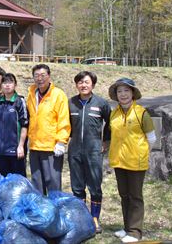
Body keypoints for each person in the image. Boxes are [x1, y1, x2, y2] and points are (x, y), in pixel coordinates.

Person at [108, 78, 156, 243]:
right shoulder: (114, 113)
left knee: (135, 196)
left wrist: (141, 153)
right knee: (124, 195)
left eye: (126, 91)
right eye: (119, 91)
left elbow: (152, 138)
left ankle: (135, 232)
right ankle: (127, 228)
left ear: (133, 93)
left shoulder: (142, 113)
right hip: (119, 161)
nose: (123, 94)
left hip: (136, 162)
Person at [68, 71, 111, 233]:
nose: (83, 85)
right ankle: (81, 218)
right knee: (77, 187)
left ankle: (94, 219)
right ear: (76, 85)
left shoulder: (101, 103)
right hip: (75, 150)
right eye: (80, 82)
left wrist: (105, 140)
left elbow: (110, 122)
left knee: (95, 186)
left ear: (92, 84)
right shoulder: (70, 102)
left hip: (93, 150)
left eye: (86, 82)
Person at [26, 64, 70, 195]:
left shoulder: (58, 95)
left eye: (43, 75)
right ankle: (40, 211)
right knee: (36, 182)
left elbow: (63, 118)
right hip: (34, 145)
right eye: (36, 76)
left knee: (53, 182)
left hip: (51, 147)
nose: (40, 79)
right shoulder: (31, 94)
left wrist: (61, 141)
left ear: (49, 76)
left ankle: (55, 209)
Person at [0, 73, 29, 177]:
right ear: (1, 85)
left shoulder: (19, 101)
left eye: (10, 82)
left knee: (18, 179)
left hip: (15, 149)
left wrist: (21, 146)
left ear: (15, 84)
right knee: (5, 179)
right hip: (0, 149)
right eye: (5, 82)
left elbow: (24, 125)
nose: (7, 85)